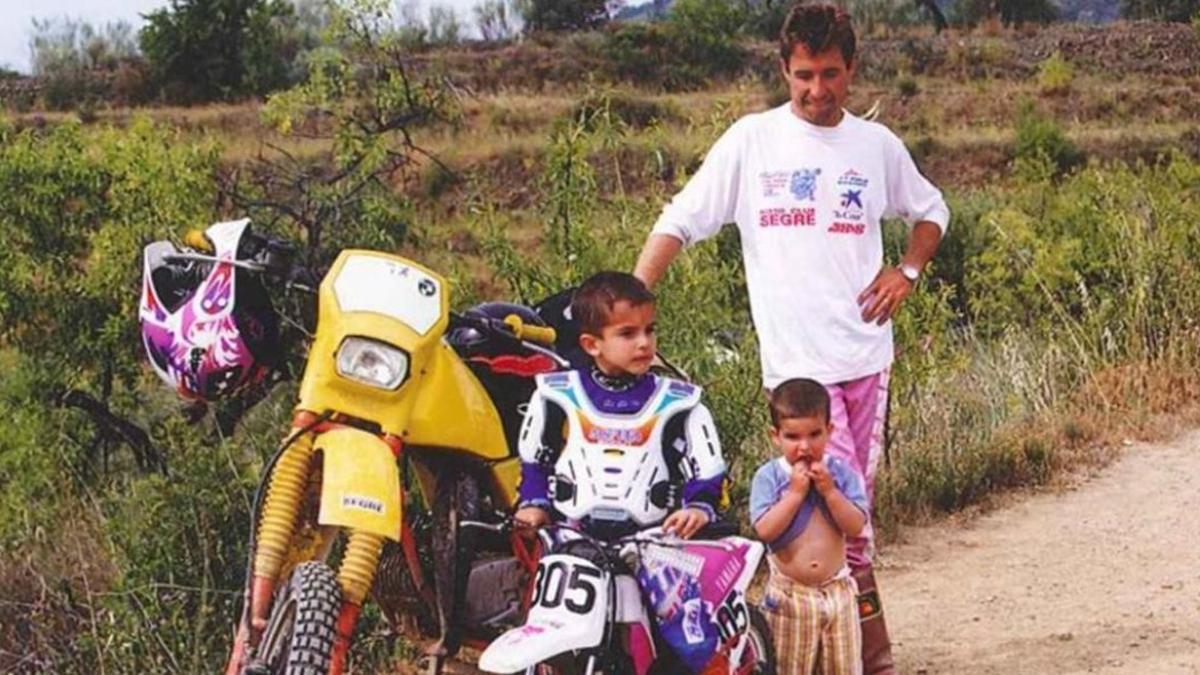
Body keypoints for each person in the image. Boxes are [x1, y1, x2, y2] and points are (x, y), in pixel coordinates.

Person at [632, 4, 949, 672]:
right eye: (803, 74)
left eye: (830, 74)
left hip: (864, 358)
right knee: (805, 512)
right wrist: (633, 298)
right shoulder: (752, 142)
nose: (816, 90)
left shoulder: (877, 146)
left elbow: (932, 211)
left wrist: (908, 269)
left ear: (851, 69)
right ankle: (832, 653)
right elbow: (682, 219)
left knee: (849, 511)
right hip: (795, 367)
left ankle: (863, 653)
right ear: (784, 68)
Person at [511, 271, 728, 671]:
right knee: (542, 631)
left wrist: (699, 506)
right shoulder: (558, 393)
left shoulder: (677, 401)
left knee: (680, 648)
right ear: (592, 344)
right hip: (572, 536)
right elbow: (535, 454)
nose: (644, 342)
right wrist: (534, 502)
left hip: (651, 541)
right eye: (627, 333)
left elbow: (706, 463)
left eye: (650, 330)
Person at [750, 378, 868, 675]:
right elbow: (764, 530)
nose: (804, 446)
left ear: (830, 430)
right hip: (791, 597)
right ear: (775, 436)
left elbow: (855, 526)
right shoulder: (769, 477)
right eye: (793, 437)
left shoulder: (841, 474)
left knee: (844, 667)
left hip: (838, 592)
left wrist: (829, 491)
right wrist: (794, 494)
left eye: (815, 434)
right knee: (790, 668)